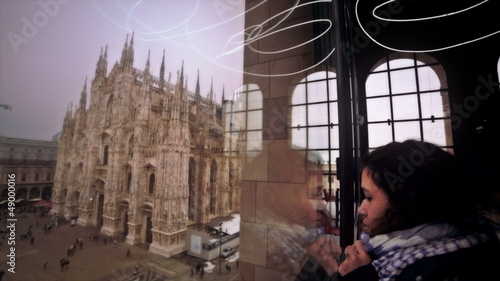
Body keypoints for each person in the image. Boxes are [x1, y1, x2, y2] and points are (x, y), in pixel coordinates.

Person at [296, 139, 500, 281]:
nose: (361, 210)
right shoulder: (390, 251)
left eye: (369, 197)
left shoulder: (456, 267)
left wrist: (359, 278)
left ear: (408, 200)